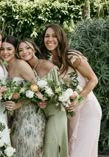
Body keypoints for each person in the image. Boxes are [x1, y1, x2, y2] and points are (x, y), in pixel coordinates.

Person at [40, 23, 102, 157]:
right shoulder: (50, 61)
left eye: (54, 36)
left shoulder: (71, 56)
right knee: (71, 150)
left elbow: (93, 79)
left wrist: (78, 98)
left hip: (87, 109)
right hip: (70, 112)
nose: (50, 39)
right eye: (47, 36)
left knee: (81, 151)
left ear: (61, 38)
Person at [18, 38, 69, 157]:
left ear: (34, 49)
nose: (24, 52)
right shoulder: (25, 69)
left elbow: (60, 92)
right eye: (20, 50)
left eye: (28, 48)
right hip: (41, 116)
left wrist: (47, 99)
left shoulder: (46, 65)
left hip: (56, 113)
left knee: (50, 150)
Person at [0, 35, 45, 157]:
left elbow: (37, 90)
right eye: (2, 49)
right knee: (17, 150)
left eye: (9, 49)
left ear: (15, 50)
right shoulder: (6, 67)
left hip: (31, 115)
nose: (5, 52)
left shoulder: (21, 65)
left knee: (29, 150)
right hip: (17, 118)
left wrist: (18, 104)